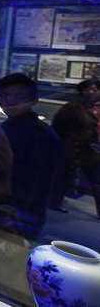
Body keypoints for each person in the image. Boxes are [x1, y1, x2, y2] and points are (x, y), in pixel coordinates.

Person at [0, 73, 59, 239]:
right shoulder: (8, 126)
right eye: (6, 95)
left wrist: (21, 215)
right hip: (5, 205)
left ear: (33, 100)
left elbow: (40, 180)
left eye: (19, 96)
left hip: (21, 211)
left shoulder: (41, 134)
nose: (11, 101)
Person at [50, 78, 100, 216]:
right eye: (88, 89)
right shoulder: (72, 108)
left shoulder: (95, 107)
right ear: (82, 91)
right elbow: (58, 124)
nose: (92, 92)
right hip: (72, 147)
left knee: (96, 179)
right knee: (63, 175)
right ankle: (55, 202)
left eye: (95, 89)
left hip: (89, 149)